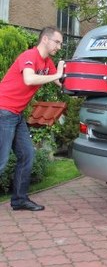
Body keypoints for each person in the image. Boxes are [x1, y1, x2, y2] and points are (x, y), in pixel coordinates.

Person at [0, 26, 65, 211]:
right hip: (3, 111)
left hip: (17, 114)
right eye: (57, 42)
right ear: (45, 39)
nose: (59, 47)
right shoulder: (29, 56)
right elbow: (29, 79)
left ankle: (19, 200)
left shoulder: (47, 63)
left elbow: (60, 81)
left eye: (60, 43)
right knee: (1, 161)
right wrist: (57, 74)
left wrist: (71, 78)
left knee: (27, 155)